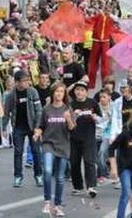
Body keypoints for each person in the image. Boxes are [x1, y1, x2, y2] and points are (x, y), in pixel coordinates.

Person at [33, 83, 76, 217]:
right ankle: (47, 201)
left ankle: (57, 205)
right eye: (57, 91)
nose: (59, 94)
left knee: (60, 178)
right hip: (48, 144)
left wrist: (68, 119)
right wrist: (37, 133)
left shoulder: (68, 108)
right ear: (53, 93)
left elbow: (72, 128)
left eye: (61, 92)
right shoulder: (47, 109)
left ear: (64, 94)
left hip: (63, 146)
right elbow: (41, 126)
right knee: (47, 171)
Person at [4, 70, 43, 187]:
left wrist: (38, 127)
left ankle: (38, 175)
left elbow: (39, 111)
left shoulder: (33, 92)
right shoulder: (11, 95)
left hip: (32, 127)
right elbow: (6, 112)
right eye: (24, 81)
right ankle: (18, 176)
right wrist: (3, 129)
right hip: (18, 127)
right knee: (18, 152)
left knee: (36, 151)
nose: (27, 83)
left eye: (27, 80)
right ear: (17, 82)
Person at [69, 81, 101, 198]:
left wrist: (95, 118)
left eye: (82, 90)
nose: (79, 92)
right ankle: (77, 186)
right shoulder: (71, 105)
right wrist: (75, 116)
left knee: (89, 162)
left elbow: (101, 118)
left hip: (89, 137)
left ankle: (91, 186)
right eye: (77, 90)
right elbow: (67, 123)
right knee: (74, 162)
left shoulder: (92, 103)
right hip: (74, 137)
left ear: (86, 92)